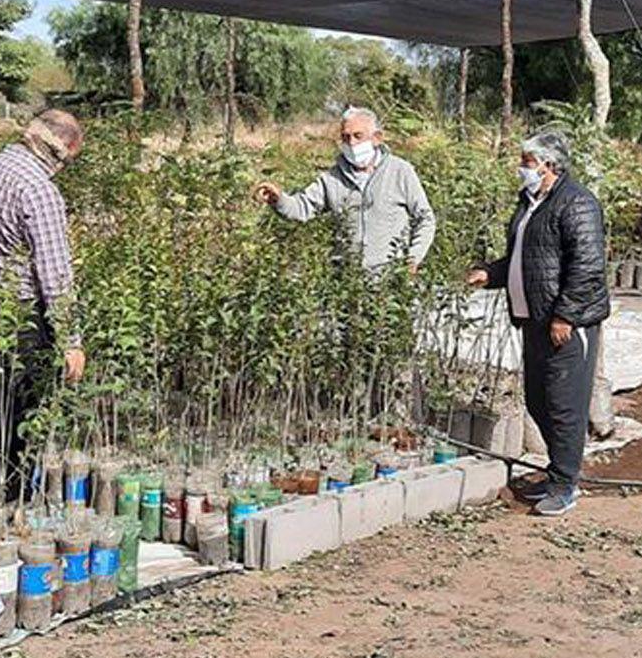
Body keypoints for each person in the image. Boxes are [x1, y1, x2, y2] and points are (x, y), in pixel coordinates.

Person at [466, 129, 610, 516]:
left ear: (549, 164)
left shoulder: (577, 203)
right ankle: (557, 471)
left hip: (563, 323)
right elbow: (525, 261)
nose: (521, 169)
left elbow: (588, 267)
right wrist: (490, 274)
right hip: (533, 319)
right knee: (538, 399)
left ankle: (565, 484)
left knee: (564, 404)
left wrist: (565, 315)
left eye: (527, 162)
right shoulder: (530, 204)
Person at [0, 108, 87, 500]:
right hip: (23, 317)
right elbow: (55, 274)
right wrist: (71, 339)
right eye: (69, 160)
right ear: (60, 148)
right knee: (21, 415)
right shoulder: (39, 189)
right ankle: (12, 500)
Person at [254, 106, 436, 271]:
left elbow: (425, 218)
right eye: (346, 137)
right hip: (346, 282)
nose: (352, 144)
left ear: (377, 138)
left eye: (358, 136)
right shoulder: (332, 178)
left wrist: (413, 259)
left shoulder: (400, 171)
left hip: (390, 281)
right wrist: (278, 199)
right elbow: (302, 208)